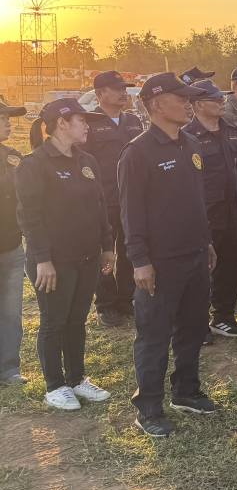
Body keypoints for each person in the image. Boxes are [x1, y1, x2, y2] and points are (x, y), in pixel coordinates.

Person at [119, 73, 221, 437]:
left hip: (195, 254)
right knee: (154, 335)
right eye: (181, 99)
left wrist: (206, 241)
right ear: (157, 104)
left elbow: (196, 201)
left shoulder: (190, 143)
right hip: (160, 262)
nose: (188, 104)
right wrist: (140, 261)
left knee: (193, 327)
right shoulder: (138, 152)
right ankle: (148, 407)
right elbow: (131, 213)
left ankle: (186, 391)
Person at [17, 99, 114, 410]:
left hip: (86, 256)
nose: (87, 126)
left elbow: (100, 206)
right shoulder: (34, 164)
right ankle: (55, 386)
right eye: (82, 120)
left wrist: (107, 246)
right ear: (61, 123)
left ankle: (76, 378)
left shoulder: (87, 160)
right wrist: (43, 259)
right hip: (53, 261)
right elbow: (29, 218)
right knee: (54, 321)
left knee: (76, 320)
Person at [183, 79, 237, 340]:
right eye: (215, 99)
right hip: (205, 212)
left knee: (231, 264)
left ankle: (223, 317)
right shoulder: (187, 136)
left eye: (222, 98)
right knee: (201, 268)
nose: (222, 102)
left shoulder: (230, 130)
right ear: (198, 105)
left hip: (233, 210)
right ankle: (196, 322)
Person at [83, 70, 144, 327]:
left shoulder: (134, 121)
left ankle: (126, 299)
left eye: (124, 88)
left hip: (130, 198)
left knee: (130, 249)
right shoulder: (89, 123)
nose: (123, 93)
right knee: (104, 253)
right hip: (103, 199)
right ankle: (106, 304)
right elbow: (83, 163)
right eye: (117, 89)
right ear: (100, 93)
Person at [0, 99, 27, 386]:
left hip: (11, 247)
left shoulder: (13, 158)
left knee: (10, 312)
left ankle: (8, 369)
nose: (8, 122)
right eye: (2, 118)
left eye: (8, 117)